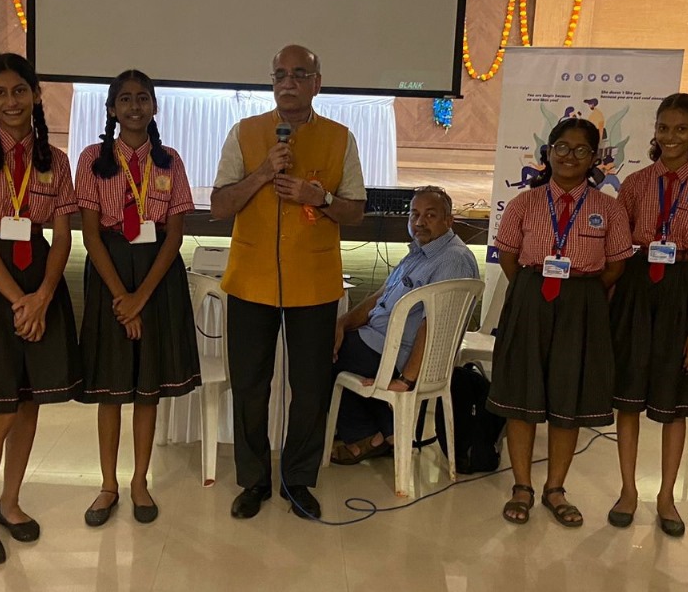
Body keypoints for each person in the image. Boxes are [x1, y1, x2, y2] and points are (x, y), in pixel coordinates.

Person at [210, 44, 367, 520]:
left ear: (317, 83)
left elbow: (355, 212)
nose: (288, 83)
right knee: (250, 386)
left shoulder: (340, 138)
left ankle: (298, 480)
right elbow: (219, 206)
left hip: (314, 283)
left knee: (310, 388)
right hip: (250, 280)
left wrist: (320, 198)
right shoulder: (245, 133)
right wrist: (263, 172)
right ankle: (253, 481)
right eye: (280, 75)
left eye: (299, 74)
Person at [0, 53, 83, 565]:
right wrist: (18, 300)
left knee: (29, 402)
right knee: (0, 406)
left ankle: (10, 502)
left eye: (19, 91)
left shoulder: (56, 160)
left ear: (36, 95)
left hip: (40, 276)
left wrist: (42, 296)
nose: (10, 101)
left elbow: (63, 236)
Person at [487, 118, 632, 528]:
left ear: (594, 158)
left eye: (581, 150)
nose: (570, 156)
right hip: (531, 297)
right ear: (548, 153)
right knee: (523, 395)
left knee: (569, 398)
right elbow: (509, 257)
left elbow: (616, 265)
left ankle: (555, 489)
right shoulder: (524, 204)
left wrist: (580, 294)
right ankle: (522, 487)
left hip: (582, 303)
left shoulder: (608, 208)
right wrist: (535, 288)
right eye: (562, 147)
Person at [74, 70, 201, 526]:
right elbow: (90, 235)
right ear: (111, 108)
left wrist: (139, 298)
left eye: (142, 98)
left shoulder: (170, 161)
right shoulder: (92, 159)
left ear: (154, 106)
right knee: (111, 390)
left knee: (148, 389)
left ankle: (140, 481)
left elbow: (175, 236)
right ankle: (108, 484)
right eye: (125, 99)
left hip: (157, 278)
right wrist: (121, 297)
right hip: (110, 272)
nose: (134, 106)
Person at [607, 94, 688, 537]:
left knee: (673, 400)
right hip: (637, 287)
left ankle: (666, 496)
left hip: (683, 287)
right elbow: (617, 249)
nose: (671, 137)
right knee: (629, 398)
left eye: (681, 129)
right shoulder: (636, 183)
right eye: (663, 128)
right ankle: (627, 490)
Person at [330, 186, 479, 464]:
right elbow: (380, 297)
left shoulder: (453, 260)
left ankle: (365, 436)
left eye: (430, 215)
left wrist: (406, 380)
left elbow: (435, 326)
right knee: (331, 341)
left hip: (396, 354)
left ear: (449, 220)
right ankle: (387, 432)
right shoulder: (419, 252)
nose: (419, 222)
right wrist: (342, 323)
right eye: (414, 214)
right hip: (378, 343)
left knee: (318, 355)